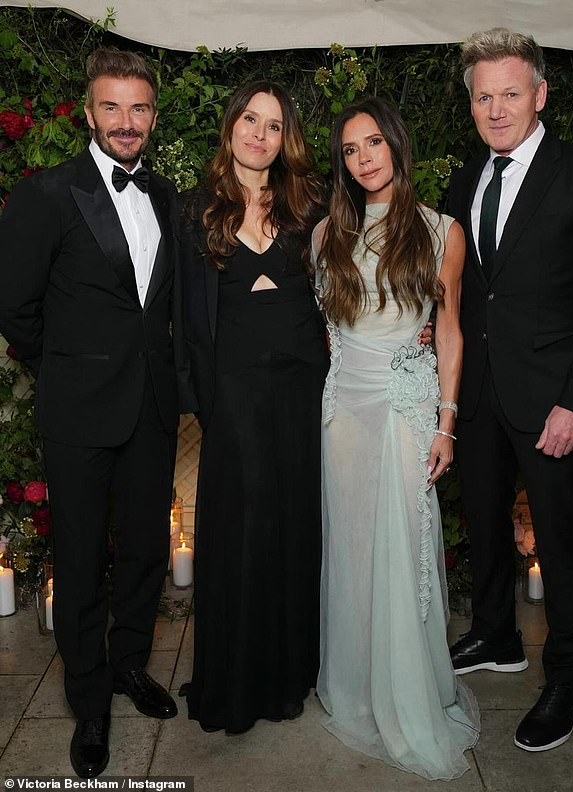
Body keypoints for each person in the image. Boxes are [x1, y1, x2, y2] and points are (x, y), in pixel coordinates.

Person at [0, 48, 193, 778]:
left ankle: (130, 666)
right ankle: (88, 704)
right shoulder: (47, 194)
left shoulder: (167, 196)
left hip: (151, 411)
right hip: (78, 411)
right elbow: (14, 305)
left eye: (138, 108)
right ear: (89, 112)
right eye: (111, 107)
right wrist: (68, 365)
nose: (126, 121)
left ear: (151, 115)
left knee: (144, 547)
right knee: (80, 563)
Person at [446, 28, 573, 752]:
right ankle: (496, 634)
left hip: (552, 396)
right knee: (484, 520)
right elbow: (467, 291)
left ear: (541, 95)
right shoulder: (467, 176)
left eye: (510, 93)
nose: (496, 109)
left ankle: (566, 680)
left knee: (557, 538)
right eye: (484, 96)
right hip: (482, 390)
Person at [313, 97, 479, 780]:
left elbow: (448, 332)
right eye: (350, 150)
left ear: (397, 146)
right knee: (353, 554)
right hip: (343, 413)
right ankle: (354, 687)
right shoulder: (326, 232)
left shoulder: (443, 231)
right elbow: (328, 325)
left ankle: (408, 695)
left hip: (407, 411)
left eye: (373, 143)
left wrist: (445, 423)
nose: (363, 159)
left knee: (405, 553)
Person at [179, 80, 329, 734]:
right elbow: (184, 316)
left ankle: (286, 677)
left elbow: (347, 287)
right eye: (249, 119)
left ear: (285, 137)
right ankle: (233, 685)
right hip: (232, 396)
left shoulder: (310, 205)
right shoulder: (194, 210)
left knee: (291, 529)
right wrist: (200, 399)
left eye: (272, 125)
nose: (258, 134)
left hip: (299, 391)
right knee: (238, 533)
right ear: (231, 125)